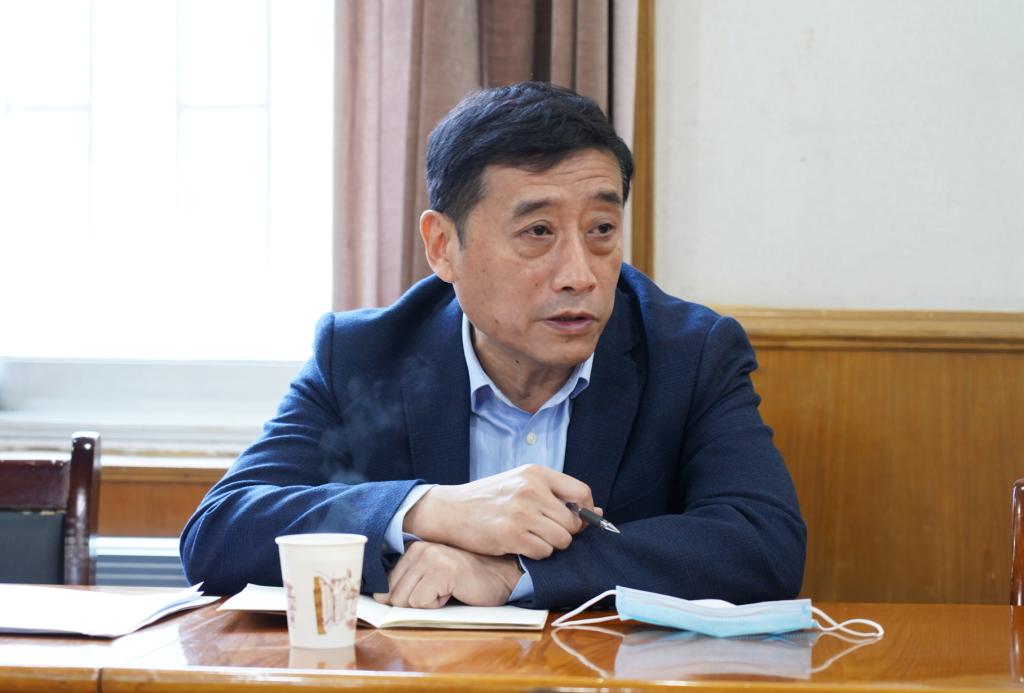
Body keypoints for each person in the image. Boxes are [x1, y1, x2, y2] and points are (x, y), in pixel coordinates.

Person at [180, 82, 806, 610]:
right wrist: (427, 510)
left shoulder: (689, 354)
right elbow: (220, 534)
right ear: (442, 247)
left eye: (602, 230)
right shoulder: (364, 354)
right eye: (537, 232)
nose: (580, 274)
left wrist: (514, 574)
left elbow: (764, 547)